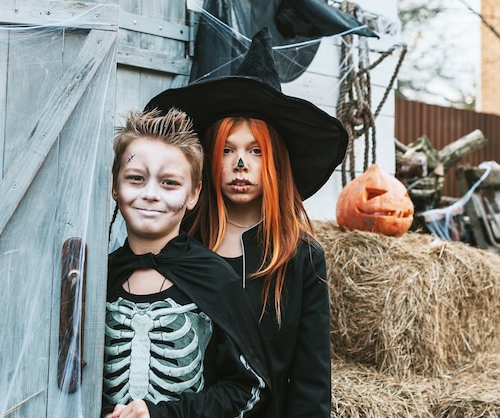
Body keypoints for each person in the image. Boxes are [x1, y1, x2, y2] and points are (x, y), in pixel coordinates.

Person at [145, 28, 349, 417]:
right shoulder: (178, 245)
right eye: (227, 150)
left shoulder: (300, 257)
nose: (241, 164)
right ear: (207, 160)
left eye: (255, 150)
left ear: (275, 162)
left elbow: (311, 380)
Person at [102, 108, 271, 418]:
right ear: (115, 186)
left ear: (194, 194)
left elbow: (247, 388)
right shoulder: (101, 278)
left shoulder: (214, 279)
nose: (151, 194)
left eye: (169, 183)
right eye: (136, 179)